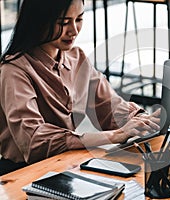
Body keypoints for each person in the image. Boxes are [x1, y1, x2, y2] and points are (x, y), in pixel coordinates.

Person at [0, 0, 160, 175]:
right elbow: (33, 140)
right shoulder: (14, 70)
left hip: (66, 164)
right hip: (22, 173)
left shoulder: (77, 58)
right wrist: (114, 135)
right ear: (39, 21)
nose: (74, 31)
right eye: (63, 23)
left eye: (79, 19)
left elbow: (109, 106)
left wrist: (142, 120)